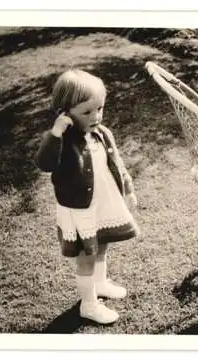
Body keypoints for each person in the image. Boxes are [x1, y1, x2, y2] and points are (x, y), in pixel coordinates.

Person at [35, 69, 139, 324]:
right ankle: (89, 304)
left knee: (102, 244)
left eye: (100, 109)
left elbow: (117, 163)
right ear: (65, 113)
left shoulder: (102, 133)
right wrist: (56, 133)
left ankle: (100, 283)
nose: (96, 117)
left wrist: (129, 188)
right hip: (80, 210)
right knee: (87, 256)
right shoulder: (62, 142)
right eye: (86, 112)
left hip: (103, 203)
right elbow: (45, 163)